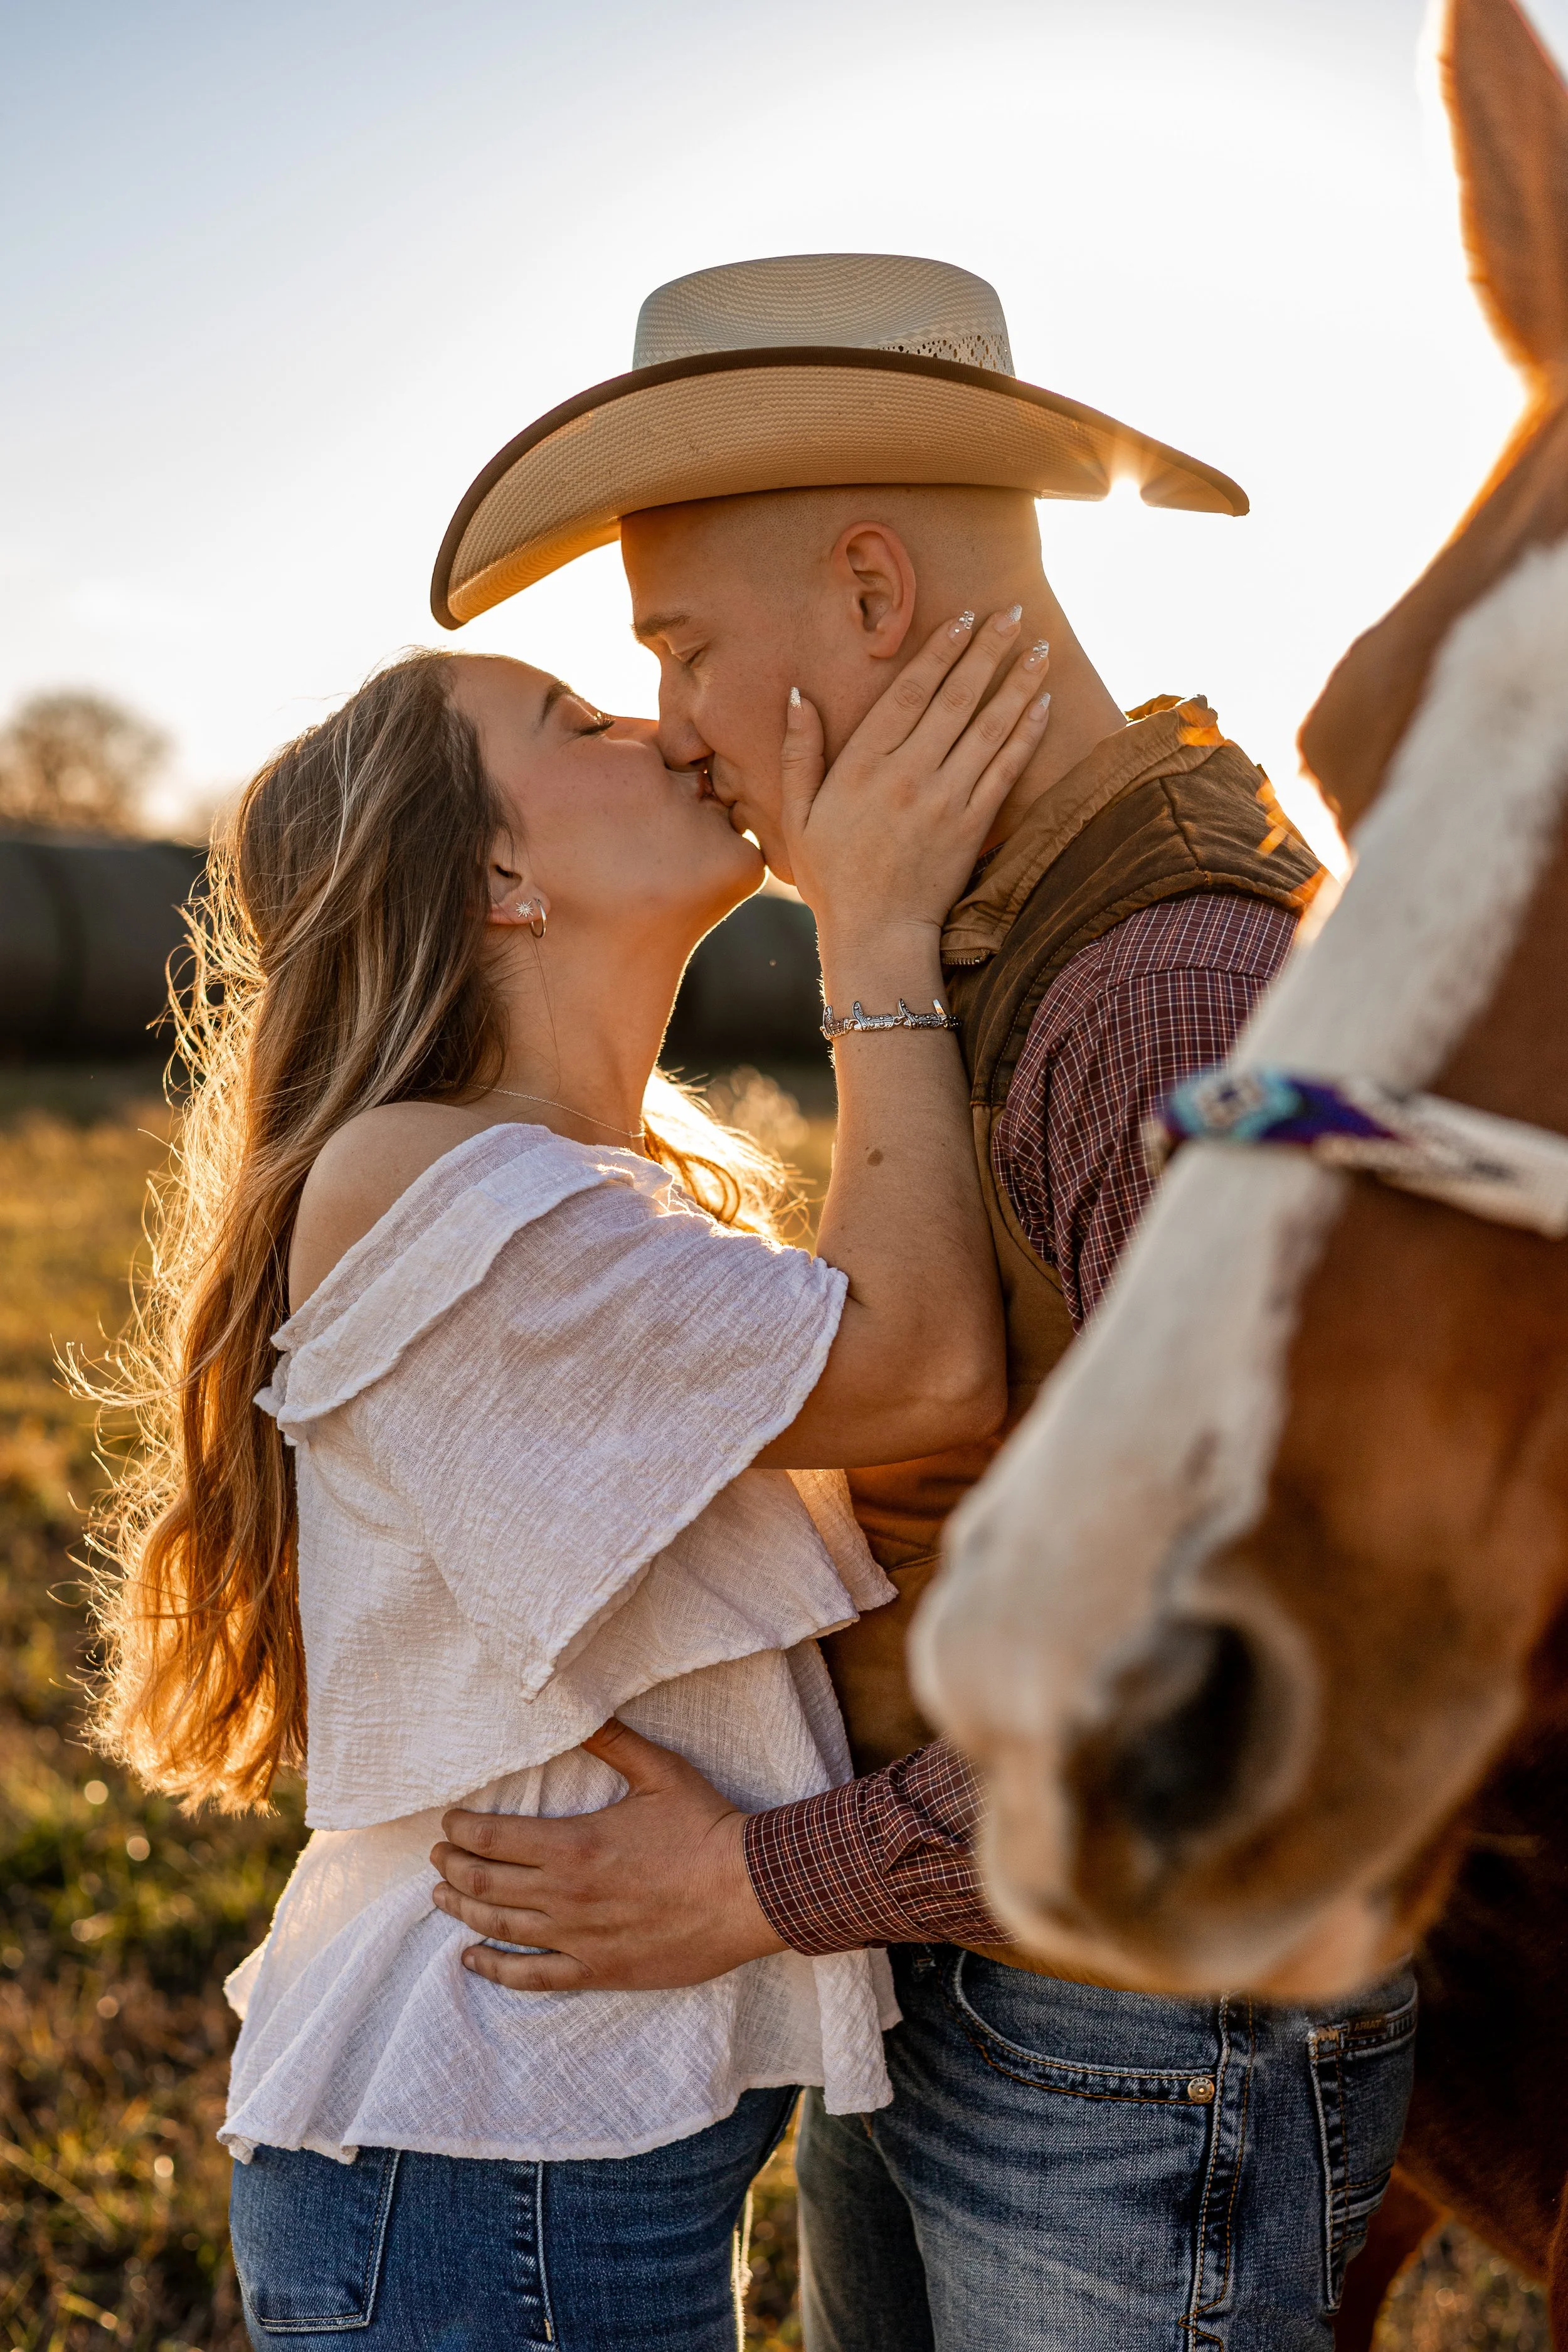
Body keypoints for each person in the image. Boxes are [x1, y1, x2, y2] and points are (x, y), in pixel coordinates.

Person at [429, 253, 1417, 2351]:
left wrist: (753, 1889)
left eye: (680, 648)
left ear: (872, 595)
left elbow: (1240, 1680)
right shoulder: (989, 956)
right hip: (967, 1956)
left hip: (1138, 2035)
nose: (676, 726)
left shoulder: (1163, 995)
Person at [88, 618, 1055, 2348]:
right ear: (497, 871)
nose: (660, 725)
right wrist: (873, 922)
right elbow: (919, 1366)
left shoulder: (587, 1187)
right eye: (577, 717)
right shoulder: (432, 1179)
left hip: (537, 2166)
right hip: (476, 2176)